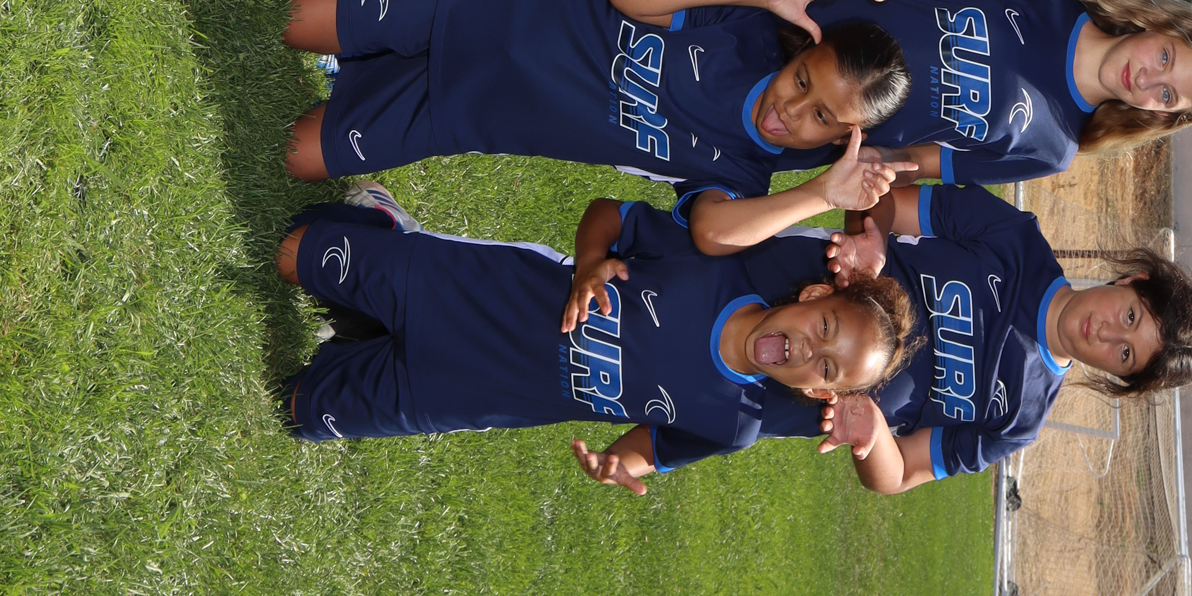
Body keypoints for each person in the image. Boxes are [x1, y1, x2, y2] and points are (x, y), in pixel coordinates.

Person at [277, 184, 916, 471]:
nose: (808, 348)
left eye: (826, 367)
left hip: (462, 392)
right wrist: (588, 265)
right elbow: (609, 216)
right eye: (824, 325)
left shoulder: (736, 424)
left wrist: (618, 463)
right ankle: (389, 231)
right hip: (470, 293)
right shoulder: (718, 265)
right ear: (812, 294)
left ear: (816, 391)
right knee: (291, 249)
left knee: (299, 410)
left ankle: (360, 336)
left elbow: (652, 449)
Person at [278, 0, 915, 199]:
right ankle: (357, 48)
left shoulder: (744, 174)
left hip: (471, 110)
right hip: (492, 4)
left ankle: (360, 74)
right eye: (802, 80)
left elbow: (714, 236)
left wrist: (815, 197)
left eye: (820, 116)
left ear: (841, 140)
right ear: (799, 53)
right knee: (292, 17)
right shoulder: (746, 33)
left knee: (296, 156)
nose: (790, 110)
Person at [643, 0, 1192, 187]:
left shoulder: (1053, 149)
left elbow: (924, 162)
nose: (1149, 78)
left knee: (642, 122)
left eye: (1167, 94)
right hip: (794, 32)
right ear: (1159, 24)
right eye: (1166, 56)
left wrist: (878, 165)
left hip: (801, 131)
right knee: (640, 23)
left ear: (1161, 116)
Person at [817, 186, 1192, 492]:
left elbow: (901, 471)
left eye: (1125, 354)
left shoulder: (1020, 420)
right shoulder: (1015, 239)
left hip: (805, 398)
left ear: (1121, 375)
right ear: (1132, 281)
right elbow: (880, 202)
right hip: (805, 274)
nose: (1107, 333)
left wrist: (870, 434)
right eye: (1130, 315)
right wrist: (868, 251)